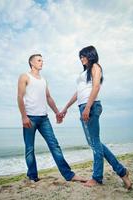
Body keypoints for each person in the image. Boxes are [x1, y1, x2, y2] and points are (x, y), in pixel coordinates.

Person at [60, 46, 132, 189]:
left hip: (90, 106)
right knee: (95, 143)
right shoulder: (85, 72)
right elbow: (78, 92)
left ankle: (97, 178)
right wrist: (66, 107)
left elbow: (96, 87)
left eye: (83, 56)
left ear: (91, 55)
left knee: (94, 144)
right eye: (80, 57)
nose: (81, 59)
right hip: (84, 106)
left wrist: (87, 107)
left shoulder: (96, 67)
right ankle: (122, 172)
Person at [17, 53, 86, 183]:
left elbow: (48, 97)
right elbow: (20, 96)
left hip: (44, 119)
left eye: (42, 60)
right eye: (39, 60)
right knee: (29, 149)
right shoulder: (24, 76)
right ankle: (32, 176)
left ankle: (69, 175)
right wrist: (24, 116)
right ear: (31, 63)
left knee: (54, 145)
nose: (41, 62)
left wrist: (57, 112)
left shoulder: (43, 80)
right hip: (29, 118)